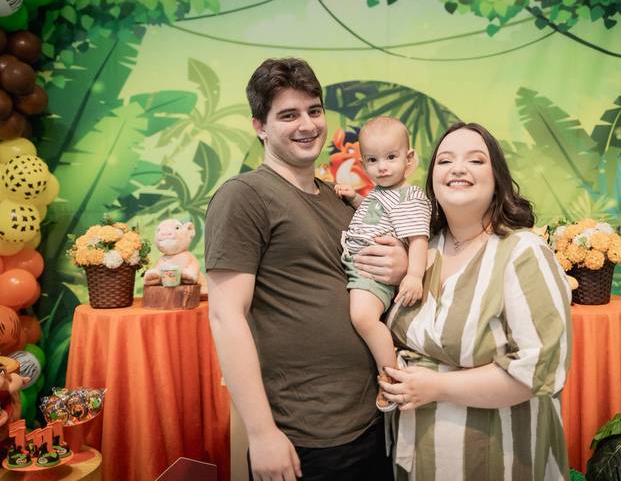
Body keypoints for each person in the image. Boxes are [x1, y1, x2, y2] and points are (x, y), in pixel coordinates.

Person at [204, 58, 406, 481]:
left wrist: (400, 264)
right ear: (259, 126)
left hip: (372, 423)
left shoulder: (341, 200)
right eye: (288, 115)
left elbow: (368, 280)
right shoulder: (245, 196)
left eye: (314, 111)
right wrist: (261, 433)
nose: (307, 125)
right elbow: (226, 317)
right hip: (304, 437)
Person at [379, 122, 573, 481]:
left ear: (497, 177)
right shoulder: (420, 253)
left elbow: (538, 369)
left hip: (498, 455)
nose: (457, 168)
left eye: (475, 160)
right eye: (445, 161)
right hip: (417, 455)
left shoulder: (523, 252)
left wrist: (437, 387)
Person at [334, 117, 431, 412]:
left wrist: (414, 275)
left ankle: (389, 375)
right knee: (359, 316)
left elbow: (418, 239)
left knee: (363, 318)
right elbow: (375, 216)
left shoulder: (409, 197)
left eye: (391, 157)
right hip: (358, 267)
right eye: (373, 160)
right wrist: (355, 199)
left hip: (372, 274)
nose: (382, 167)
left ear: (409, 158)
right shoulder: (380, 193)